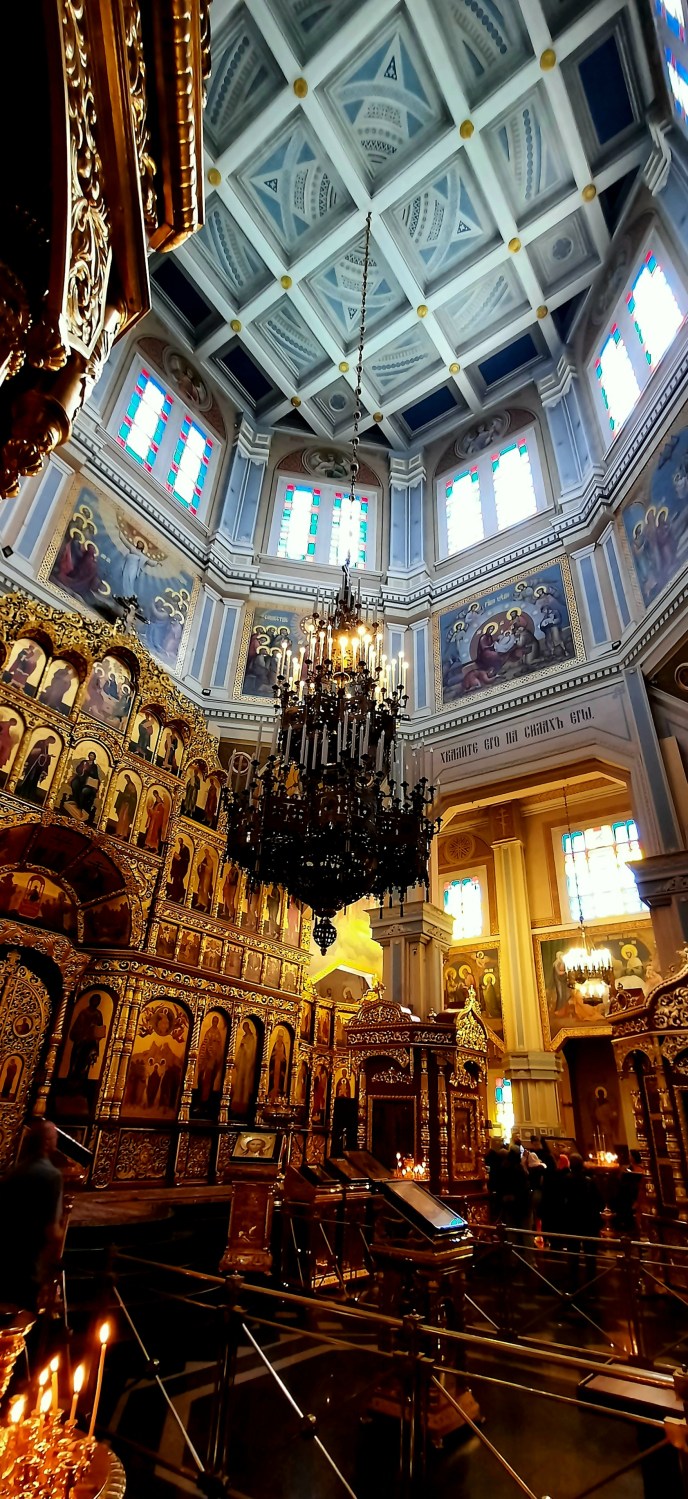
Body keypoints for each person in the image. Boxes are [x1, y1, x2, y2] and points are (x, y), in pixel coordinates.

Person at [0, 1121, 63, 1310]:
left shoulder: (14, 1172)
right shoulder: (52, 1176)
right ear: (47, 1142)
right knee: (26, 1313)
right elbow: (52, 1230)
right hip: (31, 1261)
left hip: (6, 1255)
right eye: (55, 1137)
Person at [560, 1154, 602, 1292]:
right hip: (589, 1220)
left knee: (573, 1252)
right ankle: (591, 1281)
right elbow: (599, 1201)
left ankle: (573, 1281)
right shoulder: (590, 1181)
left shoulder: (566, 1180)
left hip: (573, 1220)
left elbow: (562, 1200)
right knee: (590, 1254)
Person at [113, 774, 137, 839]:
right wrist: (121, 793)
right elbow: (126, 794)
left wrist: (127, 797)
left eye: (127, 778)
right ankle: (118, 832)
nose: (126, 779)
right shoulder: (127, 785)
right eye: (125, 778)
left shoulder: (132, 786)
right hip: (124, 803)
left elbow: (133, 797)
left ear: (129, 778)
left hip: (128, 805)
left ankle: (123, 834)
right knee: (121, 817)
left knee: (125, 819)